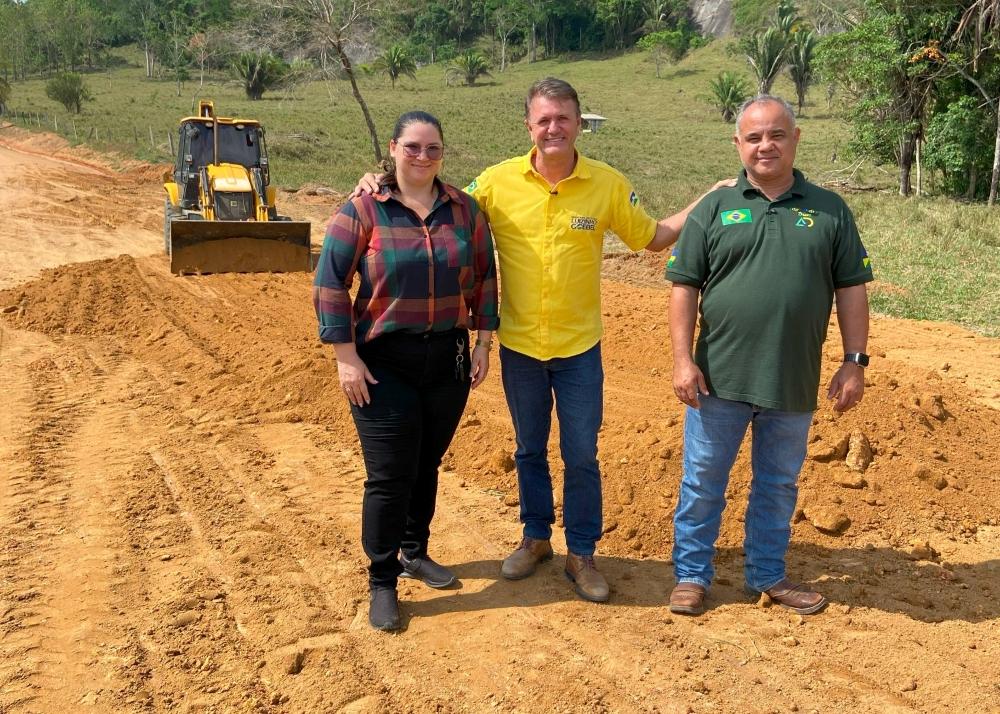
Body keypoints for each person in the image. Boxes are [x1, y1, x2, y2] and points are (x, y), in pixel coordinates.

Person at [356, 78, 728, 603]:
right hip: (521, 347)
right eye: (543, 119)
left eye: (563, 118)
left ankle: (582, 554)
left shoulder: (606, 184)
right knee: (529, 449)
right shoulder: (497, 182)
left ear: (578, 123)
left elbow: (652, 237)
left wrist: (708, 198)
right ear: (529, 126)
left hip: (579, 350)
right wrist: (379, 180)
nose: (554, 128)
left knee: (581, 455)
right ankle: (535, 539)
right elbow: (439, 200)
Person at [665, 95, 873, 617]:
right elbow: (684, 286)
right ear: (738, 144)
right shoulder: (714, 208)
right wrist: (682, 359)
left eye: (777, 134)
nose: (766, 145)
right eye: (754, 137)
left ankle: (766, 575)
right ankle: (691, 575)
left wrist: (855, 360)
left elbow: (851, 289)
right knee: (703, 481)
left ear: (795, 139)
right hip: (718, 379)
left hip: (792, 379)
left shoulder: (829, 209)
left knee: (777, 486)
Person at [314, 111, 499, 631]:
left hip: (448, 359)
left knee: (427, 462)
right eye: (412, 147)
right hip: (382, 362)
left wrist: (483, 341)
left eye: (432, 148)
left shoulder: (464, 210)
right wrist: (345, 357)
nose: (422, 156)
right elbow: (329, 283)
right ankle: (382, 578)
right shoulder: (363, 209)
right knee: (390, 474)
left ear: (443, 154)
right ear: (393, 149)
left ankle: (414, 552)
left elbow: (484, 277)